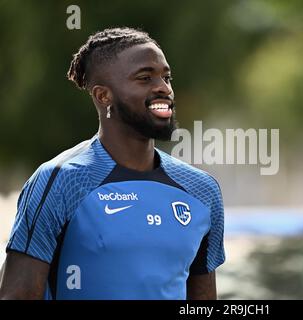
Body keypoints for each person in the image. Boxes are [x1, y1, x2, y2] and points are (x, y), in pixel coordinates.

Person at [0, 27, 225, 300]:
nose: (163, 88)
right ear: (103, 96)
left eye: (166, 77)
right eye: (145, 78)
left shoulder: (201, 190)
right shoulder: (60, 181)